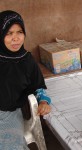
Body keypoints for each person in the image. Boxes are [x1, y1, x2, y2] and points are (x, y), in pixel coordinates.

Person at [0, 10, 51, 149]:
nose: (15, 38)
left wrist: (44, 101)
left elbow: (38, 85)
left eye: (19, 32)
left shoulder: (27, 61)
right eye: (9, 33)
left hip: (8, 114)